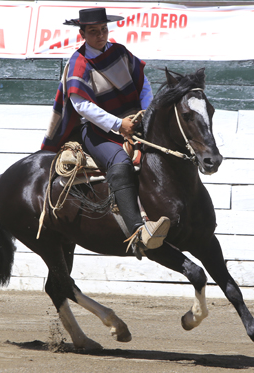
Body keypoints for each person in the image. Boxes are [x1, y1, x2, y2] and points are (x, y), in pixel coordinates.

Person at [41, 8, 169, 253]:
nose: (100, 35)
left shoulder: (119, 52)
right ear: (82, 34)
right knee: (120, 162)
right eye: (93, 32)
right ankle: (137, 230)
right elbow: (81, 106)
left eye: (104, 30)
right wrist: (119, 124)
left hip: (136, 122)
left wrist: (146, 112)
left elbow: (143, 84)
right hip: (99, 131)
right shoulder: (79, 62)